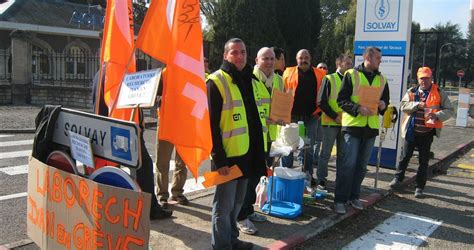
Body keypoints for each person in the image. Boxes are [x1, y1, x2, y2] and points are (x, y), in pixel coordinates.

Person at [207, 38, 267, 249]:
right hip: (228, 158)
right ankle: (221, 246)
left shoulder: (249, 79)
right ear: (225, 55)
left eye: (243, 52)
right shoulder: (216, 81)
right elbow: (211, 125)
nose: (240, 56)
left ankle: (232, 239)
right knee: (223, 206)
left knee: (237, 204)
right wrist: (219, 157)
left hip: (247, 154)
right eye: (234, 52)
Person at [92, 68, 173, 220]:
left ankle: (122, 208)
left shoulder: (101, 72)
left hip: (109, 127)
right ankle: (148, 209)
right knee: (143, 167)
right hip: (125, 130)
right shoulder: (119, 72)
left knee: (121, 168)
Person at [235, 47, 285, 235]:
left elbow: (282, 105)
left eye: (272, 58)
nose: (269, 62)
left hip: (269, 135)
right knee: (247, 178)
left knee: (257, 175)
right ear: (256, 59)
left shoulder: (279, 80)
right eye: (265, 58)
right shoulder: (250, 79)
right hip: (253, 136)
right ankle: (240, 217)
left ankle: (248, 210)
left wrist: (281, 118)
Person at [334, 46, 390, 214]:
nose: (380, 61)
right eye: (378, 58)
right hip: (352, 127)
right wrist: (358, 108)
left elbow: (385, 102)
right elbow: (341, 100)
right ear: (367, 57)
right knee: (348, 165)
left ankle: (354, 196)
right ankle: (340, 200)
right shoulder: (351, 75)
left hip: (370, 128)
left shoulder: (382, 80)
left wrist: (383, 105)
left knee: (362, 166)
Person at [389, 67, 453, 197]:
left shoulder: (440, 92)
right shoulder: (412, 91)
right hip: (411, 131)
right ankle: (398, 179)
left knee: (423, 162)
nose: (424, 81)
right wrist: (417, 105)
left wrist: (437, 115)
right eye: (422, 78)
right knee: (404, 157)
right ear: (418, 79)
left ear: (431, 78)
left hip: (427, 133)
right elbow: (403, 106)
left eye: (427, 78)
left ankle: (419, 187)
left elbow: (450, 110)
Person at [282, 49, 326, 185]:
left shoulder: (320, 74)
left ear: (310, 58)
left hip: (311, 117)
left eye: (306, 57)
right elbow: (282, 93)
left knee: (308, 147)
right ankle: (285, 173)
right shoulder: (288, 72)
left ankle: (307, 175)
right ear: (297, 59)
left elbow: (325, 95)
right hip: (292, 116)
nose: (303, 60)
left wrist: (319, 113)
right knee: (288, 147)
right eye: (301, 57)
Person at [316, 54, 353, 190]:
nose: (350, 66)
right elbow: (321, 102)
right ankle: (321, 180)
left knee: (343, 155)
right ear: (339, 64)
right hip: (330, 122)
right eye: (348, 64)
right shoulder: (329, 78)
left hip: (346, 124)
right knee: (325, 153)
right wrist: (334, 116)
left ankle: (340, 181)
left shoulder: (352, 81)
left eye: (351, 63)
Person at [155, 69, 189, 208]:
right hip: (166, 122)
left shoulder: (189, 73)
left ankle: (177, 192)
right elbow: (155, 96)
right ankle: (162, 195)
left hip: (184, 122)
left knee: (182, 162)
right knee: (162, 162)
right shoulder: (164, 73)